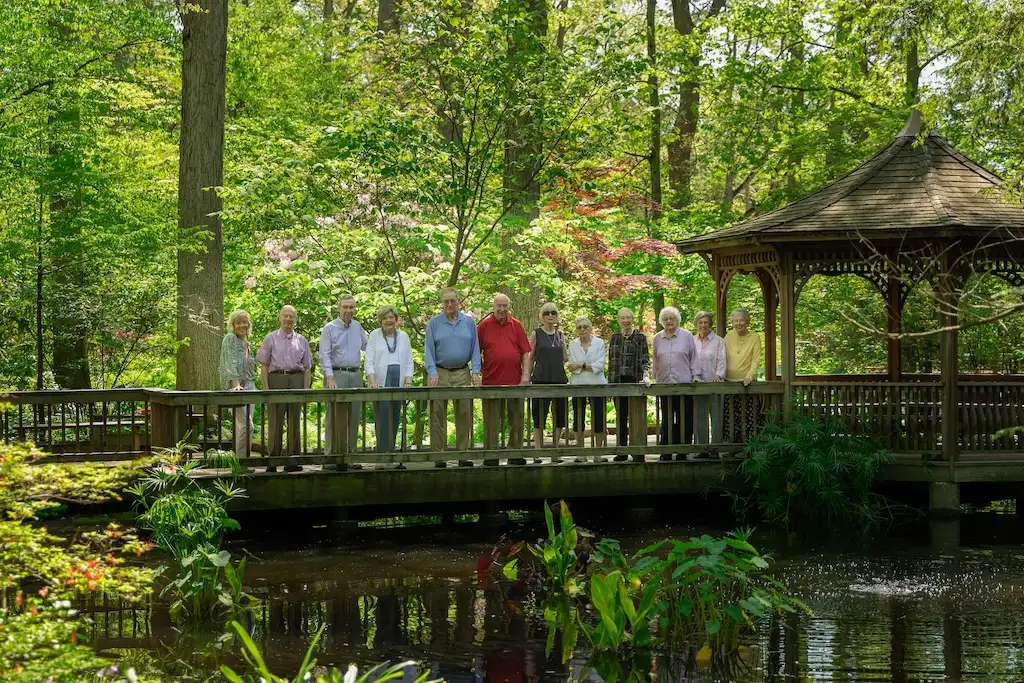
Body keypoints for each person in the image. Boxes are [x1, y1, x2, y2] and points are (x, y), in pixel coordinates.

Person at [424, 287, 481, 467]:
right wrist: (432, 371)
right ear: (442, 303)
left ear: (458, 302)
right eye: (446, 301)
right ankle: (439, 456)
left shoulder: (469, 322)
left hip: (463, 372)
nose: (449, 304)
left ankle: (463, 455)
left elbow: (475, 348)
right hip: (440, 373)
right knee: (437, 414)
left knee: (464, 414)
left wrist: (475, 371)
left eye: (452, 301)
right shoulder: (434, 323)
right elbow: (428, 350)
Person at [477, 293, 532, 466]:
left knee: (516, 418)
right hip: (491, 381)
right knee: (492, 420)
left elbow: (526, 352)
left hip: (515, 381)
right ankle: (491, 455)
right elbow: (475, 353)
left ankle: (515, 452)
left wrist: (525, 377)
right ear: (493, 306)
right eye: (498, 306)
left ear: (509, 307)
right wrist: (476, 374)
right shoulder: (483, 326)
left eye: (505, 306)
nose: (502, 309)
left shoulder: (516, 325)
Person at [256, 305, 312, 472]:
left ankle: (292, 460)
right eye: (285, 316)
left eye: (291, 316)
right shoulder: (270, 338)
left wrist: (305, 389)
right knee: (275, 420)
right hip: (277, 378)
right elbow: (264, 365)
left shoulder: (302, 340)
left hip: (296, 378)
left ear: (295, 319)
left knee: (294, 420)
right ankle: (273, 460)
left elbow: (307, 367)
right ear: (279, 317)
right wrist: (266, 387)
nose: (288, 319)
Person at [319, 295, 368, 459]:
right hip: (336, 374)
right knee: (334, 418)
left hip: (355, 374)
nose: (348, 310)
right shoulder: (329, 328)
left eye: (351, 307)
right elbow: (324, 354)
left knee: (354, 418)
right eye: (345, 307)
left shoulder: (358, 327)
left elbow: (368, 347)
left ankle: (351, 457)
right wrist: (330, 376)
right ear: (339, 309)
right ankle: (331, 458)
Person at [365, 305, 414, 459]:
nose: (388, 321)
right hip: (380, 382)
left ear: (396, 319)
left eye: (391, 317)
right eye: (385, 318)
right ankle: (382, 453)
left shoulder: (404, 336)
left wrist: (408, 381)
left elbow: (409, 361)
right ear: (381, 321)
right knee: (382, 417)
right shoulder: (374, 335)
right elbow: (369, 361)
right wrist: (373, 382)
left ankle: (392, 452)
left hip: (398, 381)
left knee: (395, 417)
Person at [651, 306, 700, 461]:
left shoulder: (687, 336)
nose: (669, 321)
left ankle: (682, 450)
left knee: (684, 417)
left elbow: (694, 357)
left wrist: (696, 376)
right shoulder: (657, 338)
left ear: (677, 319)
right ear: (661, 322)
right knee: (666, 418)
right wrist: (654, 378)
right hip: (664, 384)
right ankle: (666, 450)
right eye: (665, 319)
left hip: (683, 384)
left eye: (671, 318)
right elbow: (655, 361)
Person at [607, 308, 650, 461]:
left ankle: (638, 452)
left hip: (635, 381)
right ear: (618, 320)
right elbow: (611, 363)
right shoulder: (615, 338)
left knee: (637, 417)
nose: (625, 320)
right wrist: (610, 386)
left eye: (628, 318)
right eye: (622, 318)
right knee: (621, 417)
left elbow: (645, 359)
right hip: (619, 382)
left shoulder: (640, 337)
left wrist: (646, 376)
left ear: (632, 319)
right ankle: (622, 450)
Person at [529, 302, 568, 458]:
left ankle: (555, 449)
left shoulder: (560, 334)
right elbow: (530, 357)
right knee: (539, 414)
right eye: (547, 313)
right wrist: (526, 377)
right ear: (542, 316)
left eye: (553, 313)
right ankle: (537, 451)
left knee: (559, 414)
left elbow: (565, 356)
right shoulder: (536, 333)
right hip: (541, 378)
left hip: (559, 378)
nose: (550, 316)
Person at [568, 316, 607, 462]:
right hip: (578, 385)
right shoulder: (573, 344)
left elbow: (600, 365)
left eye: (585, 327)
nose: (583, 329)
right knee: (579, 419)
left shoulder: (599, 343)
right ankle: (580, 452)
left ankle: (598, 453)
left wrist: (581, 365)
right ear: (577, 330)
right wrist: (584, 366)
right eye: (579, 327)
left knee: (599, 418)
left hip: (597, 384)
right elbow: (572, 366)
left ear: (591, 328)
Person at [219, 310, 255, 458]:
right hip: (238, 387)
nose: (242, 325)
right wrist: (236, 384)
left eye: (244, 322)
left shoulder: (247, 343)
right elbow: (230, 362)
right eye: (238, 322)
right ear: (232, 325)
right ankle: (240, 462)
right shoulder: (230, 339)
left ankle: (244, 460)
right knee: (247, 426)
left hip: (250, 386)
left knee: (245, 426)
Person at [724, 307, 762, 442]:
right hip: (729, 382)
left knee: (748, 416)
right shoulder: (728, 336)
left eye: (741, 320)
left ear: (747, 321)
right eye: (735, 321)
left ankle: (749, 446)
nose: (738, 323)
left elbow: (755, 359)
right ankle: (731, 446)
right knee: (731, 418)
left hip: (747, 383)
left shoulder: (754, 337)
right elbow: (721, 357)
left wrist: (749, 376)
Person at [693, 311, 726, 447]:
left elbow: (722, 360)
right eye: (700, 322)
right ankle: (702, 447)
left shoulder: (718, 340)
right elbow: (690, 360)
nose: (703, 325)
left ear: (710, 324)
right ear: (696, 324)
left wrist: (718, 375)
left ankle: (716, 448)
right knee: (700, 417)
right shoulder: (692, 341)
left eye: (706, 322)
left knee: (716, 417)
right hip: (698, 384)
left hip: (715, 384)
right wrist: (694, 376)